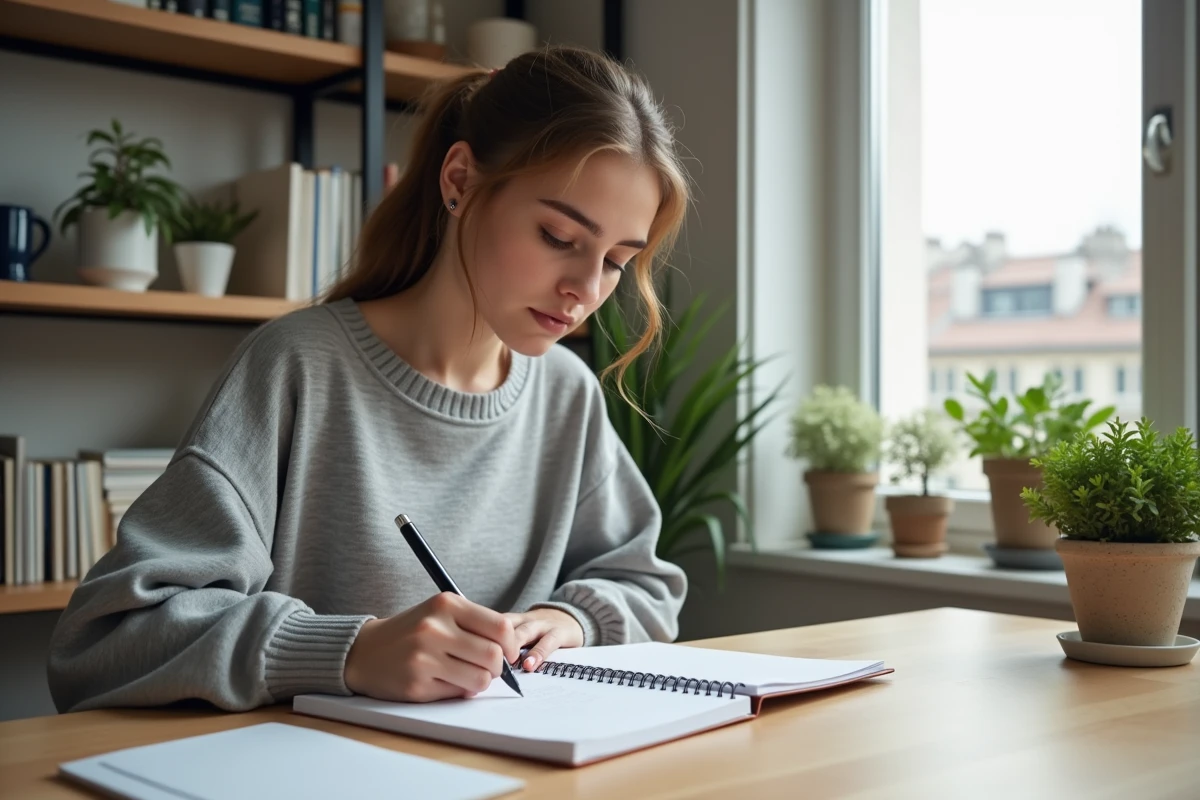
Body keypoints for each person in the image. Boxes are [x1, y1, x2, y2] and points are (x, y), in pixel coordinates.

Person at [46, 45, 692, 714]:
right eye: (559, 235)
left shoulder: (567, 394)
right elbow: (102, 644)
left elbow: (644, 585)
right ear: (460, 181)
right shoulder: (296, 367)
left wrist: (573, 619)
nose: (586, 289)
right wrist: (348, 652)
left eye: (618, 260)